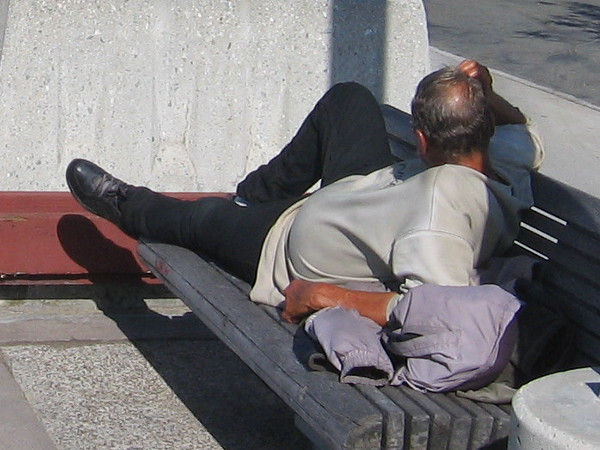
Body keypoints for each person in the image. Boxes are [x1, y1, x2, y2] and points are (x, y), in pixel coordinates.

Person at [66, 60, 543, 328]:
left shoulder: (440, 222)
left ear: (421, 140)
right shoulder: (504, 155)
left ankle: (127, 203)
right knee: (350, 100)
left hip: (288, 249)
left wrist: (328, 295)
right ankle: (252, 197)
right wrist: (484, 87)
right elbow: (520, 126)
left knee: (200, 220)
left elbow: (433, 311)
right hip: (371, 198)